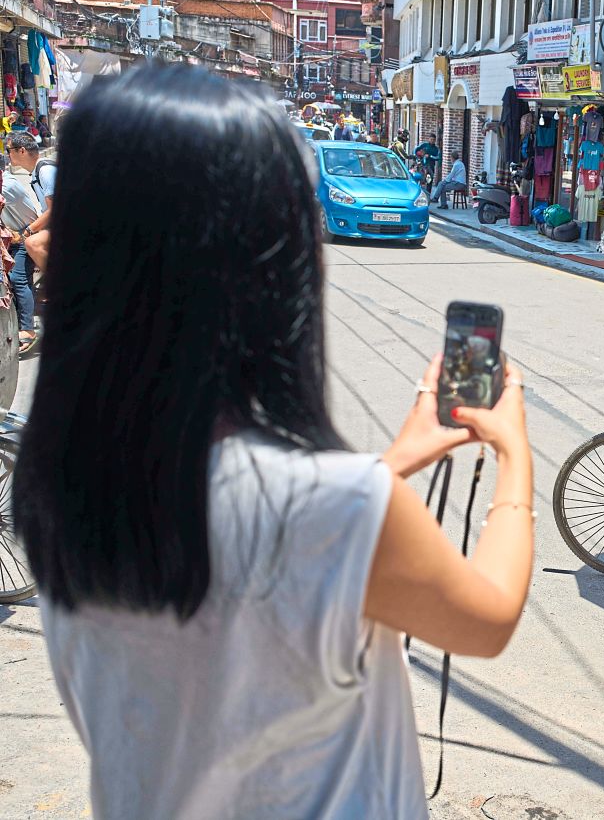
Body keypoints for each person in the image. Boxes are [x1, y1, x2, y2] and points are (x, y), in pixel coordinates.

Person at [14, 65, 535, 820]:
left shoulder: (61, 481)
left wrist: (393, 464)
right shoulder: (332, 510)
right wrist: (514, 455)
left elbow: (257, 587)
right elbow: (484, 620)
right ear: (269, 267)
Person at [1, 135, 42, 356]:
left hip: (26, 236)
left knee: (17, 278)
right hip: (10, 238)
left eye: (11, 150)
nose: (9, 154)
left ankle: (27, 329)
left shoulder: (6, 186)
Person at [7, 130, 54, 272]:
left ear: (21, 150)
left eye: (9, 150)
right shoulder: (37, 171)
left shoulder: (44, 171)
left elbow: (54, 211)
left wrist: (28, 231)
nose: (7, 154)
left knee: (32, 243)